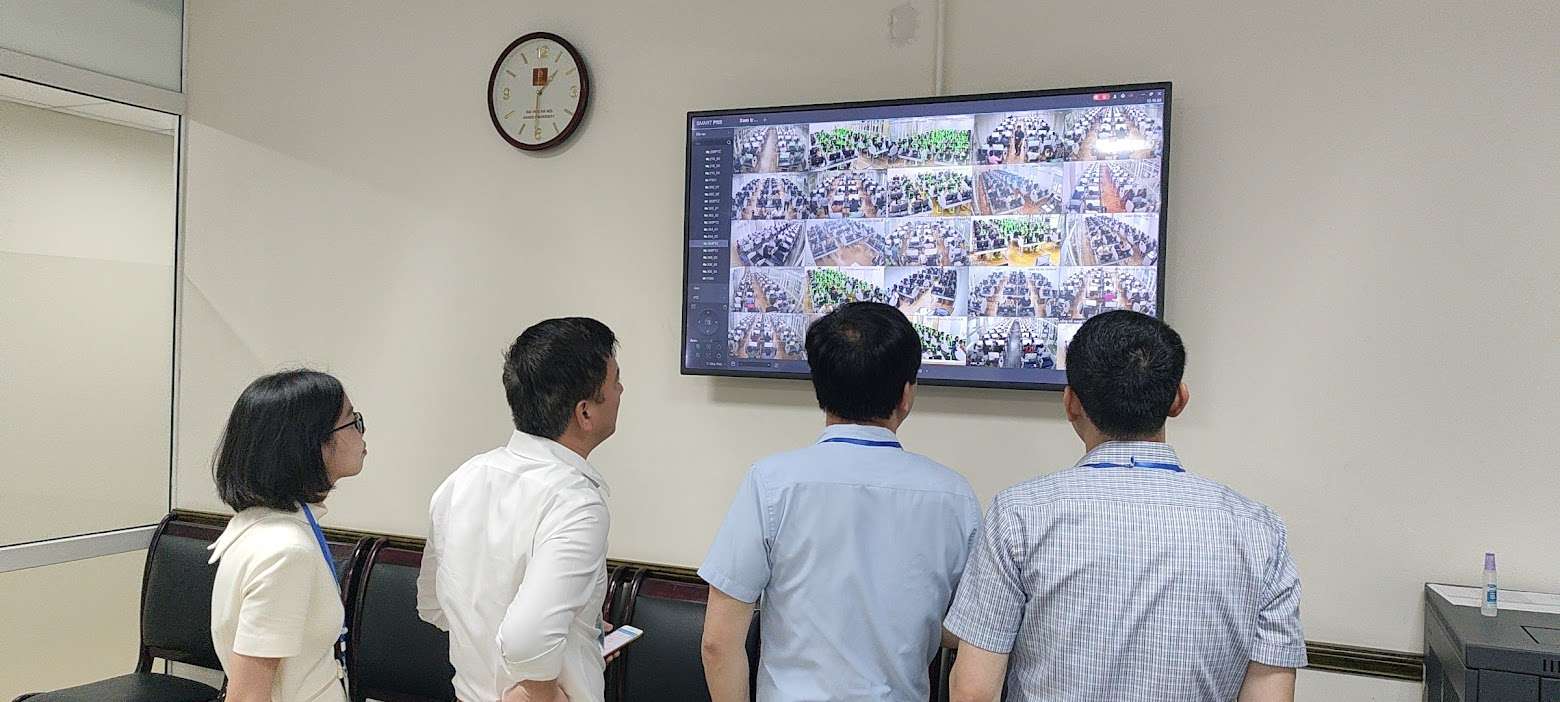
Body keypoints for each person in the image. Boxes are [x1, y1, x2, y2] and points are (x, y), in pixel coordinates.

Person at [945, 310, 1307, 702]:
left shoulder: (1019, 514)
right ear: (1179, 399)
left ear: (1071, 403)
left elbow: (974, 692)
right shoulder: (1259, 530)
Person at [699, 302, 982, 702]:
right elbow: (971, 630)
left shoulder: (772, 483)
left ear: (819, 389)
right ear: (906, 394)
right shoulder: (954, 496)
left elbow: (718, 643)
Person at [417, 318, 624, 702]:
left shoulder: (463, 478)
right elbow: (526, 640)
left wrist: (577, 633)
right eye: (615, 381)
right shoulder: (576, 502)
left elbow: (434, 605)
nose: (621, 390)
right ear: (584, 413)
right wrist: (542, 692)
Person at [208, 369, 367, 702]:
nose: (361, 432)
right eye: (352, 422)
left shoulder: (260, 524)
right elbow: (247, 697)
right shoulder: (285, 551)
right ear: (312, 444)